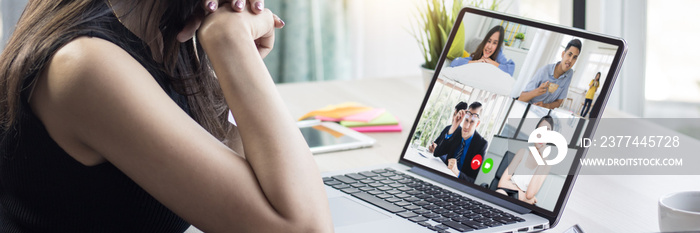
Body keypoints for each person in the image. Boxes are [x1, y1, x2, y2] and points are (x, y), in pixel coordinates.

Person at [0, 0, 333, 232]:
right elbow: (306, 228)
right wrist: (232, 44)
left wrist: (237, 66)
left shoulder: (166, 29)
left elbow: (258, 185)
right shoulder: (87, 64)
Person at [496, 115, 555, 205]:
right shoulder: (522, 152)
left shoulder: (546, 165)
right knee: (500, 194)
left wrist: (542, 159)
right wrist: (524, 197)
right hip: (508, 192)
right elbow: (502, 183)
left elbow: (530, 194)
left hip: (521, 203)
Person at [519, 39, 582, 109]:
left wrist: (545, 106)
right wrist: (537, 91)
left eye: (574, 57)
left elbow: (559, 102)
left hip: (544, 114)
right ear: (563, 54)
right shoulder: (544, 71)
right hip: (527, 109)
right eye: (569, 55)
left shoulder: (569, 74)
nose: (570, 60)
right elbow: (521, 98)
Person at [433, 103, 488, 182]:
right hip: (442, 177)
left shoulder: (481, 144)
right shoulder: (457, 131)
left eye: (472, 122)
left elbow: (474, 180)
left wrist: (457, 173)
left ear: (477, 124)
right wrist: (454, 125)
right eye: (466, 120)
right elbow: (437, 153)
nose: (466, 126)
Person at [450, 25, 516, 76]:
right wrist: (476, 62)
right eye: (489, 41)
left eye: (495, 43)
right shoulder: (479, 54)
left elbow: (510, 70)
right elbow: (454, 63)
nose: (489, 46)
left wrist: (491, 62)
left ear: (498, 46)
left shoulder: (499, 55)